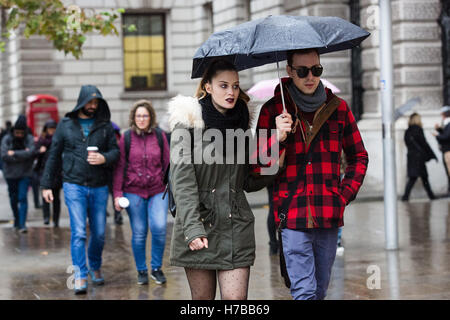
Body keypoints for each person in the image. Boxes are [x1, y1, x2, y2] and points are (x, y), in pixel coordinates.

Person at [256, 48, 369, 300]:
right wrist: (277, 137)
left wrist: (342, 195)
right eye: (302, 71)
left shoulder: (338, 108)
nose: (310, 76)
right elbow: (260, 166)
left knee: (319, 290)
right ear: (289, 71)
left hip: (328, 213)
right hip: (292, 213)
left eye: (316, 70)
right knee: (304, 292)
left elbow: (359, 156)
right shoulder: (272, 110)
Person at [167, 58, 283, 300]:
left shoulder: (241, 124)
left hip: (236, 225)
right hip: (200, 224)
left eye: (236, 86)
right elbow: (182, 181)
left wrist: (277, 145)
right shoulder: (186, 123)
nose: (231, 92)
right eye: (223, 85)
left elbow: (249, 182)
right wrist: (192, 227)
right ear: (208, 86)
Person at [41, 85, 119, 294]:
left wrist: (104, 158)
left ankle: (95, 265)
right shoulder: (66, 125)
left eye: (96, 103)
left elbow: (115, 152)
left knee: (100, 233)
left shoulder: (105, 126)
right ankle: (80, 274)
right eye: (90, 102)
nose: (93, 106)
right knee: (79, 232)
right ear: (81, 102)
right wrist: (46, 184)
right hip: (73, 184)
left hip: (99, 185)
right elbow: (54, 155)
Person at [113, 100, 170, 286]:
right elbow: (120, 166)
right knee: (139, 232)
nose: (142, 119)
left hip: (157, 190)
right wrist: (117, 193)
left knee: (159, 227)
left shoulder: (160, 136)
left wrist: (173, 188)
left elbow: (168, 164)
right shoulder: (126, 137)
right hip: (133, 191)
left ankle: (156, 268)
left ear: (150, 117)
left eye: (145, 115)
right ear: (133, 118)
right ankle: (141, 270)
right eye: (138, 116)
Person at [0, 115, 35, 233]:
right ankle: (16, 218)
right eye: (17, 132)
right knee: (13, 198)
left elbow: (31, 153)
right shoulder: (7, 139)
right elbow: (4, 155)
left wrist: (13, 154)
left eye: (21, 133)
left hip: (25, 173)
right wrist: (22, 154)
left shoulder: (29, 138)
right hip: (10, 174)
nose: (19, 135)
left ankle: (22, 224)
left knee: (22, 197)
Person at [401, 112, 437, 201]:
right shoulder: (418, 129)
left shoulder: (407, 131)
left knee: (415, 177)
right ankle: (430, 196)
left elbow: (407, 143)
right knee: (422, 177)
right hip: (419, 157)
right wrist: (432, 155)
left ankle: (406, 196)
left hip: (411, 157)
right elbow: (424, 144)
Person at [34, 120, 61, 227]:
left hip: (57, 173)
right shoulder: (41, 141)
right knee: (45, 195)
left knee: (56, 198)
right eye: (50, 129)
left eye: (54, 129)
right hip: (44, 172)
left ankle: (56, 220)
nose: (52, 131)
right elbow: (34, 154)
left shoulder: (59, 141)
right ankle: (46, 217)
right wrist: (40, 151)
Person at [433, 106, 450, 195]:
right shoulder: (446, 123)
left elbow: (447, 136)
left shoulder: (448, 123)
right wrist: (439, 130)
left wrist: (437, 136)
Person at [110, 121, 123, 225]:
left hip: (114, 169)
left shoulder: (115, 135)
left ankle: (117, 214)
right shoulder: (116, 133)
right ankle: (117, 215)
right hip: (109, 169)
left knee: (114, 194)